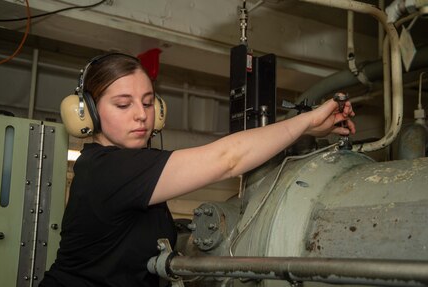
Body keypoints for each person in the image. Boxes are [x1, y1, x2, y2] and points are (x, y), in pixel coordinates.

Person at [40, 53, 355, 287]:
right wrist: (307, 122)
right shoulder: (106, 170)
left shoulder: (133, 167)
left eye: (148, 102)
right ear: (88, 113)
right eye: (123, 105)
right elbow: (227, 160)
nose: (141, 115)